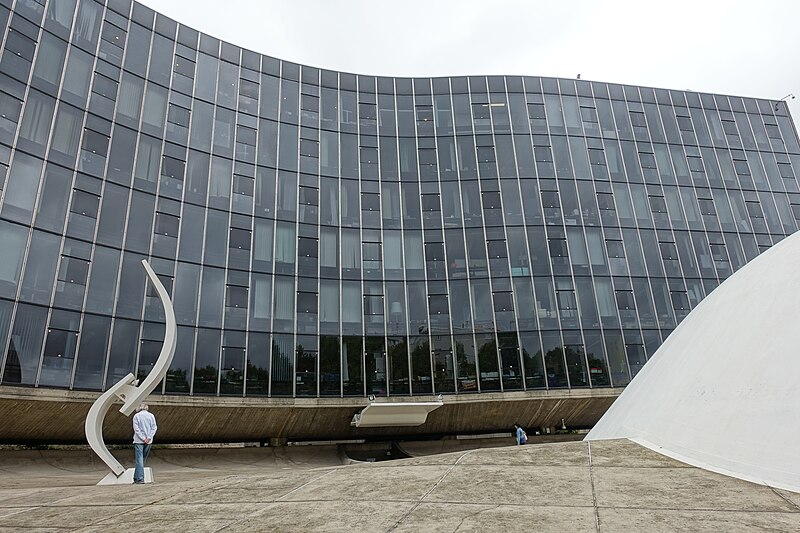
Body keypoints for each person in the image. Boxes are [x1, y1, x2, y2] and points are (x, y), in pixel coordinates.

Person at [132, 403, 157, 484]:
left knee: (139, 460)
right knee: (142, 460)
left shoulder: (136, 416)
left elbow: (136, 429)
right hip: (149, 440)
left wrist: (142, 438)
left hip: (139, 440)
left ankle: (139, 479)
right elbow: (154, 427)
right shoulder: (151, 416)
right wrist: (149, 437)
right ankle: (137, 478)